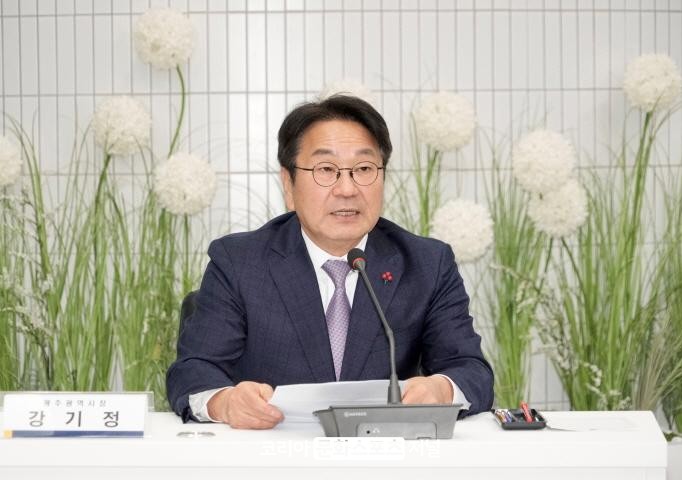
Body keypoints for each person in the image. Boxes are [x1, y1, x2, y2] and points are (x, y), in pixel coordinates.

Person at [166, 95, 494, 429]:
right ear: (288, 184)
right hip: (274, 450)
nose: (347, 189)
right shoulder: (239, 263)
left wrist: (441, 389)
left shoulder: (426, 264)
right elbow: (193, 371)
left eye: (364, 169)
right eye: (326, 170)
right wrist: (225, 402)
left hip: (385, 451)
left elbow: (472, 371)